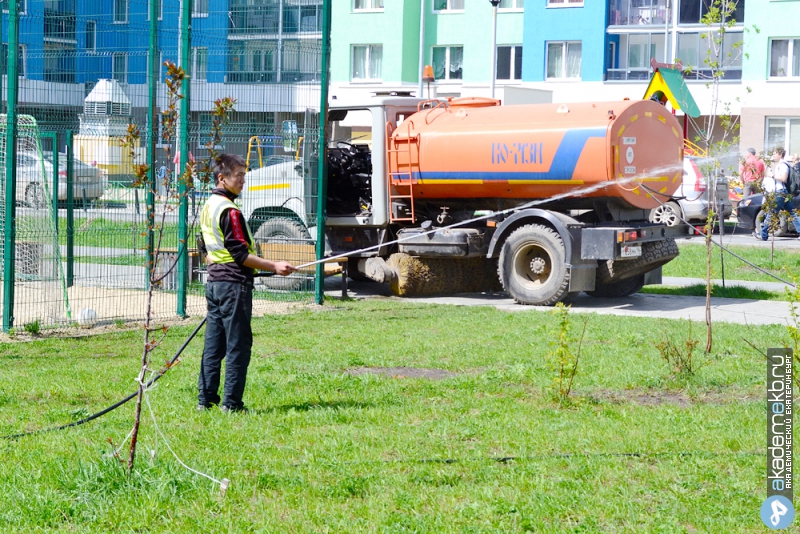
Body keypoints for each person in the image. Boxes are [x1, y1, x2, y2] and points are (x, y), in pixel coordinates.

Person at [198, 154, 296, 413]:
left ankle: (204, 401)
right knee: (237, 346)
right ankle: (231, 404)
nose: (243, 180)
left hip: (215, 284)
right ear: (222, 178)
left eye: (244, 175)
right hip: (233, 287)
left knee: (213, 346)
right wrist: (275, 266)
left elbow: (203, 244)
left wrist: (215, 265)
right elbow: (240, 255)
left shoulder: (209, 205)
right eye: (238, 175)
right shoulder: (229, 211)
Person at [758, 147, 800, 241]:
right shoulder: (782, 164)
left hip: (781, 193)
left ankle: (763, 234)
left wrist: (771, 175)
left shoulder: (782, 165)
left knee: (772, 213)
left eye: (775, 153)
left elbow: (783, 178)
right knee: (793, 214)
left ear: (780, 154)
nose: (773, 155)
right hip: (785, 193)